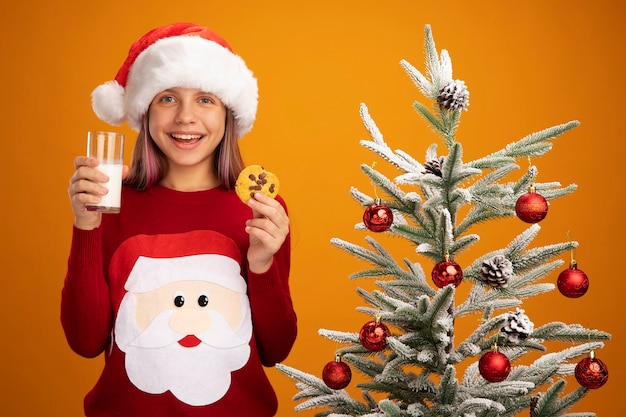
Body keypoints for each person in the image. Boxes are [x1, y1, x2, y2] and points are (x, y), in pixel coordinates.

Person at [61, 23, 297, 417]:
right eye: (168, 98)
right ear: (145, 112)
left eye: (205, 99)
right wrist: (86, 226)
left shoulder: (260, 208)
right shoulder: (111, 201)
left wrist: (262, 265)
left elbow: (276, 349)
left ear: (228, 116)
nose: (186, 117)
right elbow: (85, 342)